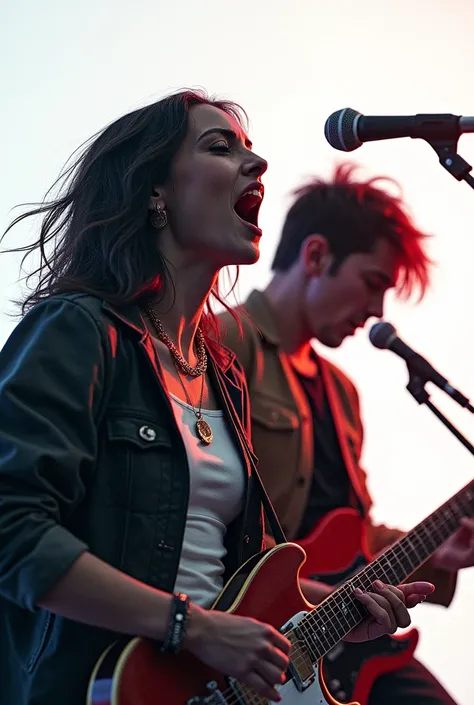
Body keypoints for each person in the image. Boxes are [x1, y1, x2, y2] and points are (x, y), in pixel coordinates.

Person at [0, 95, 433, 705]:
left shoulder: (223, 378)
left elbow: (240, 585)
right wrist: (192, 626)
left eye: (249, 147)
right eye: (220, 147)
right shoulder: (78, 330)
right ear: (155, 191)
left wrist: (330, 618)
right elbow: (13, 531)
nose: (255, 162)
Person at [219, 163, 474, 705]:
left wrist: (441, 551)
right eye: (373, 283)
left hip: (347, 638)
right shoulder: (222, 342)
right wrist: (323, 600)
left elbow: (350, 536)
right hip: (261, 637)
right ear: (316, 256)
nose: (379, 310)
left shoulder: (342, 393)